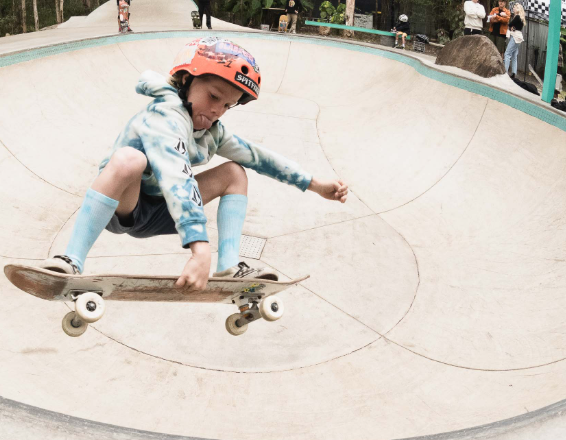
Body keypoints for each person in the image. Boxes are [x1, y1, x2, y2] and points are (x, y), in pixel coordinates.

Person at [39, 37, 349, 289]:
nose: (217, 111)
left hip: (163, 212)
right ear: (186, 81)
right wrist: (199, 247)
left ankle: (229, 268)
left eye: (227, 105)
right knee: (129, 160)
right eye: (213, 97)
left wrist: (313, 184)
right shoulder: (165, 116)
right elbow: (176, 175)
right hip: (124, 206)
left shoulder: (212, 132)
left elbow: (259, 157)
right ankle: (71, 260)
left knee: (234, 173)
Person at [503, 3, 526, 79]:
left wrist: (511, 27)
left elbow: (510, 24)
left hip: (515, 37)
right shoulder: (521, 18)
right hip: (519, 37)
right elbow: (516, 27)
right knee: (514, 55)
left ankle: (505, 72)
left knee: (507, 54)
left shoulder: (517, 17)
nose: (513, 9)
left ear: (518, 9)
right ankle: (513, 73)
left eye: (514, 8)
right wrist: (512, 28)